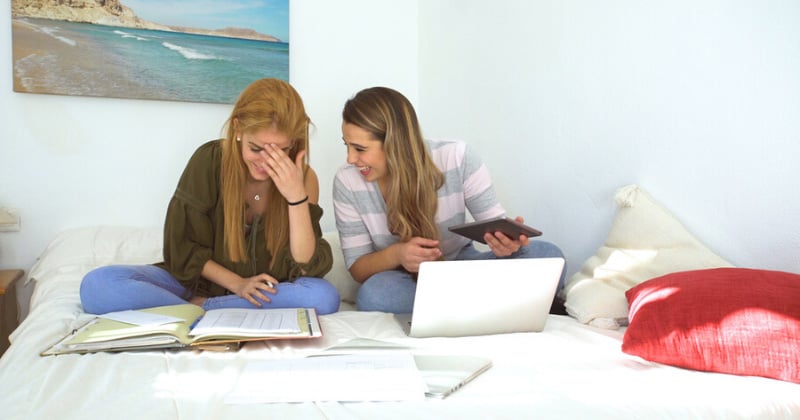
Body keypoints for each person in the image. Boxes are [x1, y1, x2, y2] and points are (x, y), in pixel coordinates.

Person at [80, 78, 340, 315]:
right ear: (238, 128)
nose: (265, 162)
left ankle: (205, 310)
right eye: (256, 148)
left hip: (264, 292)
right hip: (197, 285)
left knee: (323, 297)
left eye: (279, 151)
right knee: (98, 285)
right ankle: (206, 306)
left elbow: (305, 264)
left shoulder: (304, 178)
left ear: (293, 143)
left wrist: (296, 198)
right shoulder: (209, 160)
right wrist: (237, 284)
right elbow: (182, 246)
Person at [333, 86, 566, 314]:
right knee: (374, 296)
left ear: (395, 142)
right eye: (347, 145)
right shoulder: (347, 181)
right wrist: (398, 254)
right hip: (404, 276)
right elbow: (359, 269)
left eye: (360, 148)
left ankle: (454, 305)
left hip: (460, 266)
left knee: (548, 256)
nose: (351, 158)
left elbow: (494, 226)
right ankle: (494, 304)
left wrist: (504, 242)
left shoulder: (456, 157)